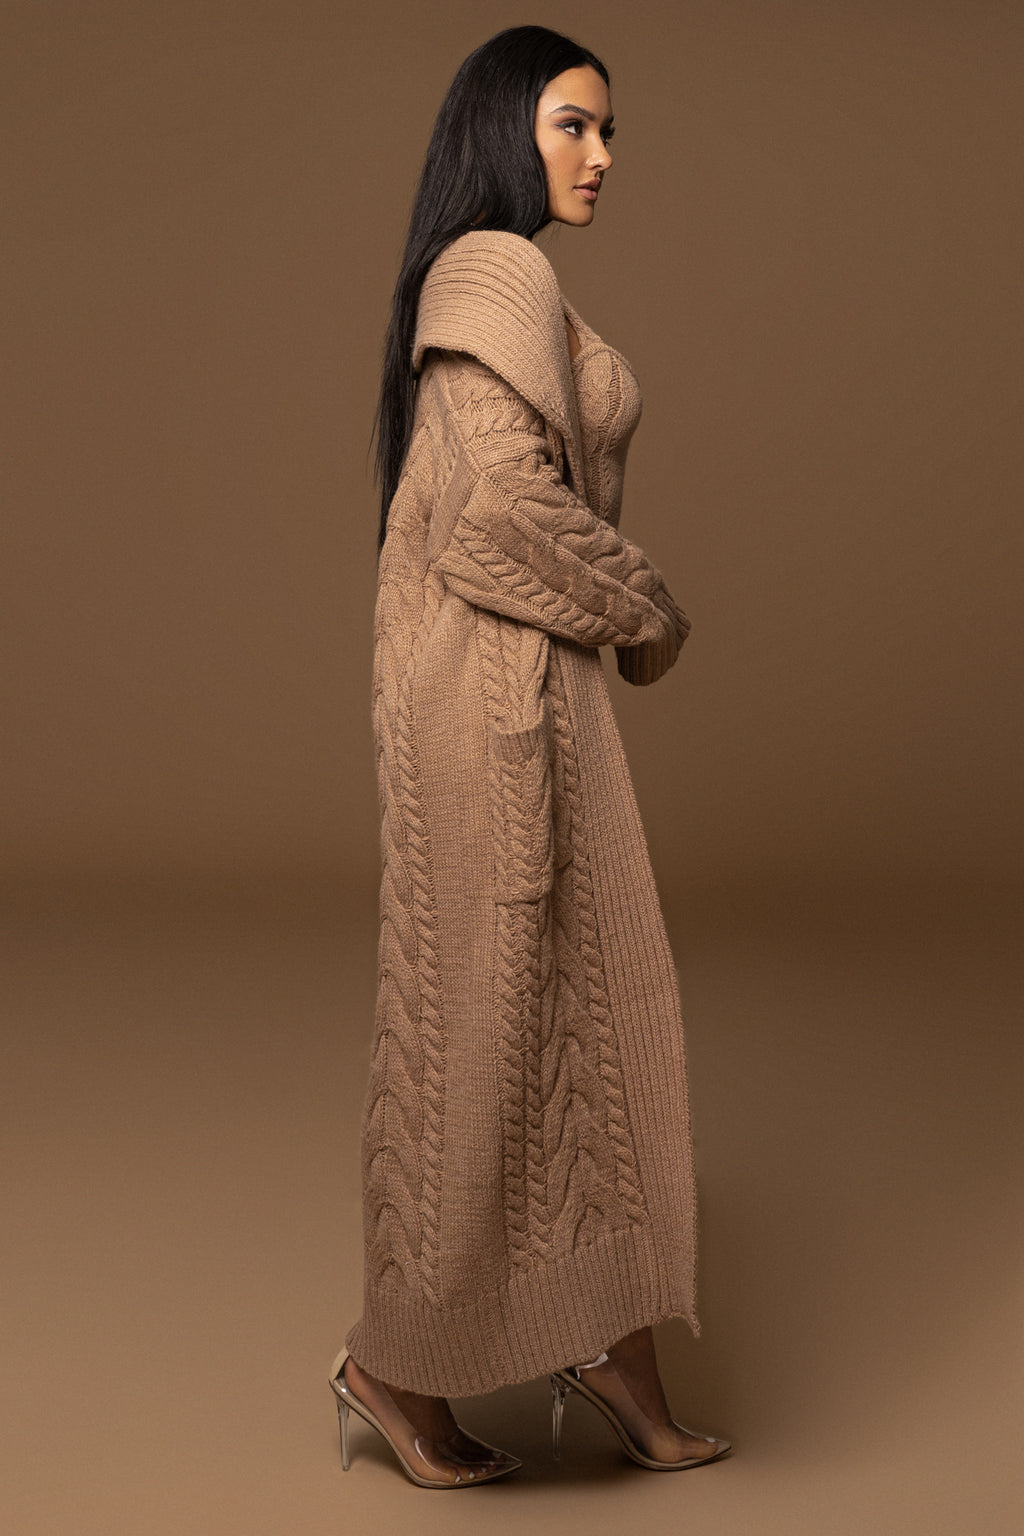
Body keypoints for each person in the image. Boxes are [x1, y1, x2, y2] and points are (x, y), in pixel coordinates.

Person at [329, 25, 731, 1488]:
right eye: (574, 125)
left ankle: (612, 1349)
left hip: (532, 700)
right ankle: (394, 1363)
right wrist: (647, 608)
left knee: (579, 1034)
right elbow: (495, 520)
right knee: (496, 1046)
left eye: (610, 131)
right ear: (505, 130)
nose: (602, 155)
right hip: (484, 716)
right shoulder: (492, 275)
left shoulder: (499, 282)